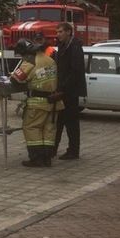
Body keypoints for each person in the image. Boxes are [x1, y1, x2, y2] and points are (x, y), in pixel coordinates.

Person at [11, 38, 63, 167]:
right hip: (53, 102)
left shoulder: (30, 61)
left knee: (31, 128)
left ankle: (36, 159)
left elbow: (15, 79)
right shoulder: (49, 59)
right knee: (49, 129)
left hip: (37, 103)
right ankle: (47, 158)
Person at [53, 22, 86, 160]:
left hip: (70, 92)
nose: (58, 34)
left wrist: (64, 88)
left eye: (60, 31)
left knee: (71, 122)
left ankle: (73, 150)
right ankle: (53, 149)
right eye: (57, 32)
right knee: (59, 121)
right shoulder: (62, 46)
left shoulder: (74, 46)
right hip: (62, 90)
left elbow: (75, 70)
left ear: (68, 32)